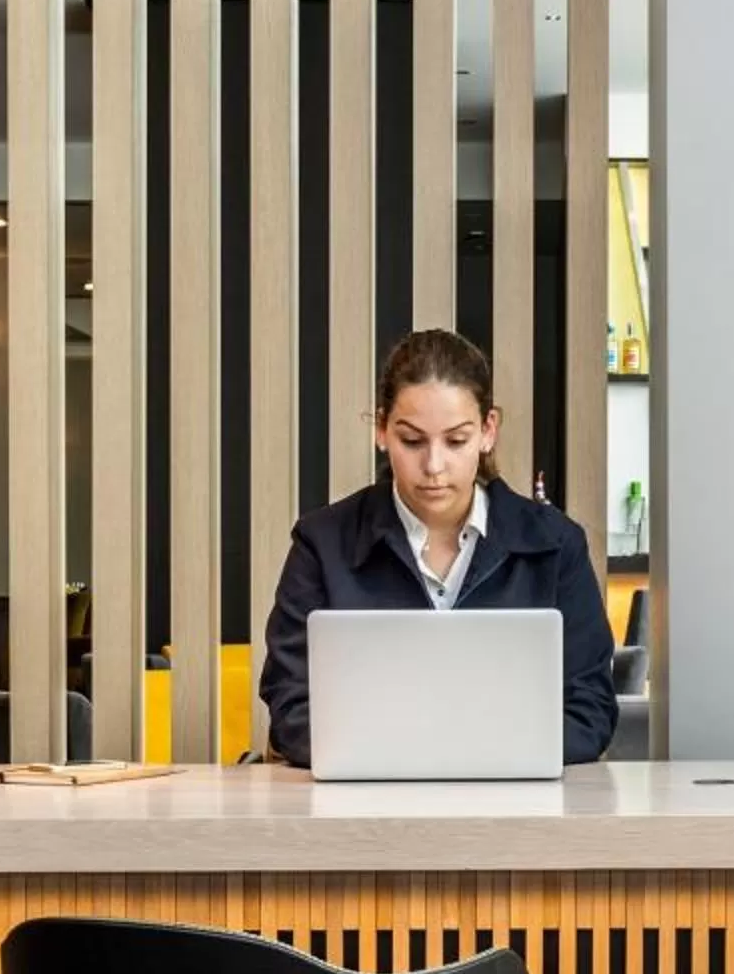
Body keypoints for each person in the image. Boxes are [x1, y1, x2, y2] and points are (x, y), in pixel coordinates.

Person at [261, 326, 617, 770]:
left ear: (488, 431)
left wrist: (447, 752)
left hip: (516, 815)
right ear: (381, 429)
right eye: (411, 441)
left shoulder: (556, 545)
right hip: (363, 816)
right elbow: (292, 705)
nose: (433, 465)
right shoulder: (322, 543)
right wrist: (433, 754)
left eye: (456, 440)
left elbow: (590, 710)